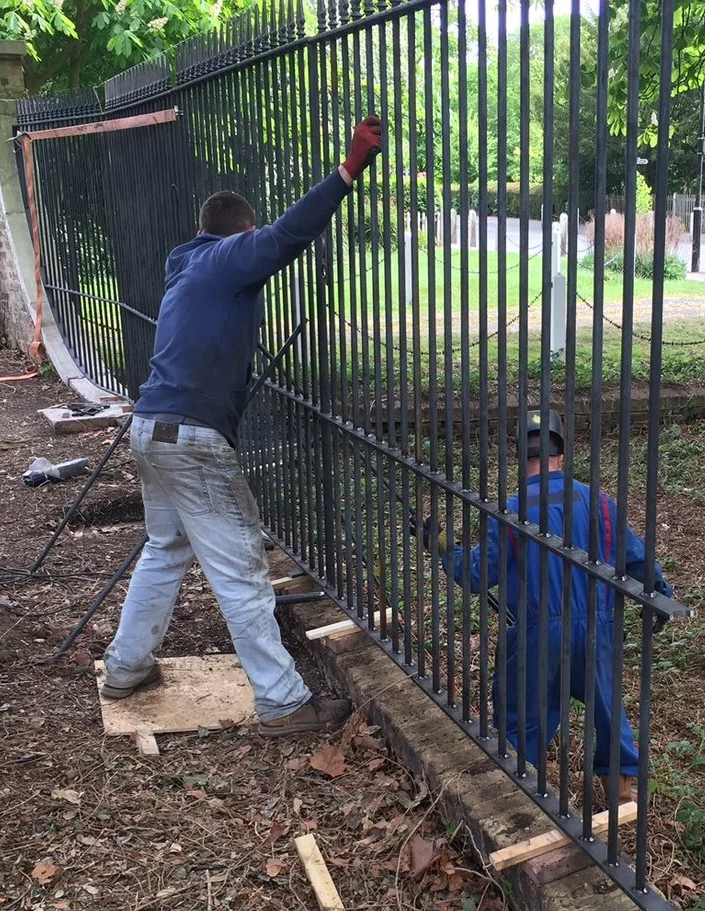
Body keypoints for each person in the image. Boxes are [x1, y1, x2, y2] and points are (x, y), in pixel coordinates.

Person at [100, 116, 384, 737]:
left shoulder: (186, 265)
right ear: (240, 234)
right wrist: (348, 170)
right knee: (242, 569)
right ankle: (283, 703)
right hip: (194, 442)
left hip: (151, 428)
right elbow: (288, 235)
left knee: (164, 548)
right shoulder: (230, 258)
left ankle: (125, 668)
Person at [428, 409, 674, 802]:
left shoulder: (512, 510)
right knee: (608, 710)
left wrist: (444, 548)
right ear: (562, 451)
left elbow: (476, 575)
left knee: (520, 716)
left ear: (519, 454)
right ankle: (622, 791)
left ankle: (520, 792)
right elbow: (636, 558)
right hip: (598, 627)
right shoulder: (599, 502)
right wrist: (661, 594)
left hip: (538, 632)